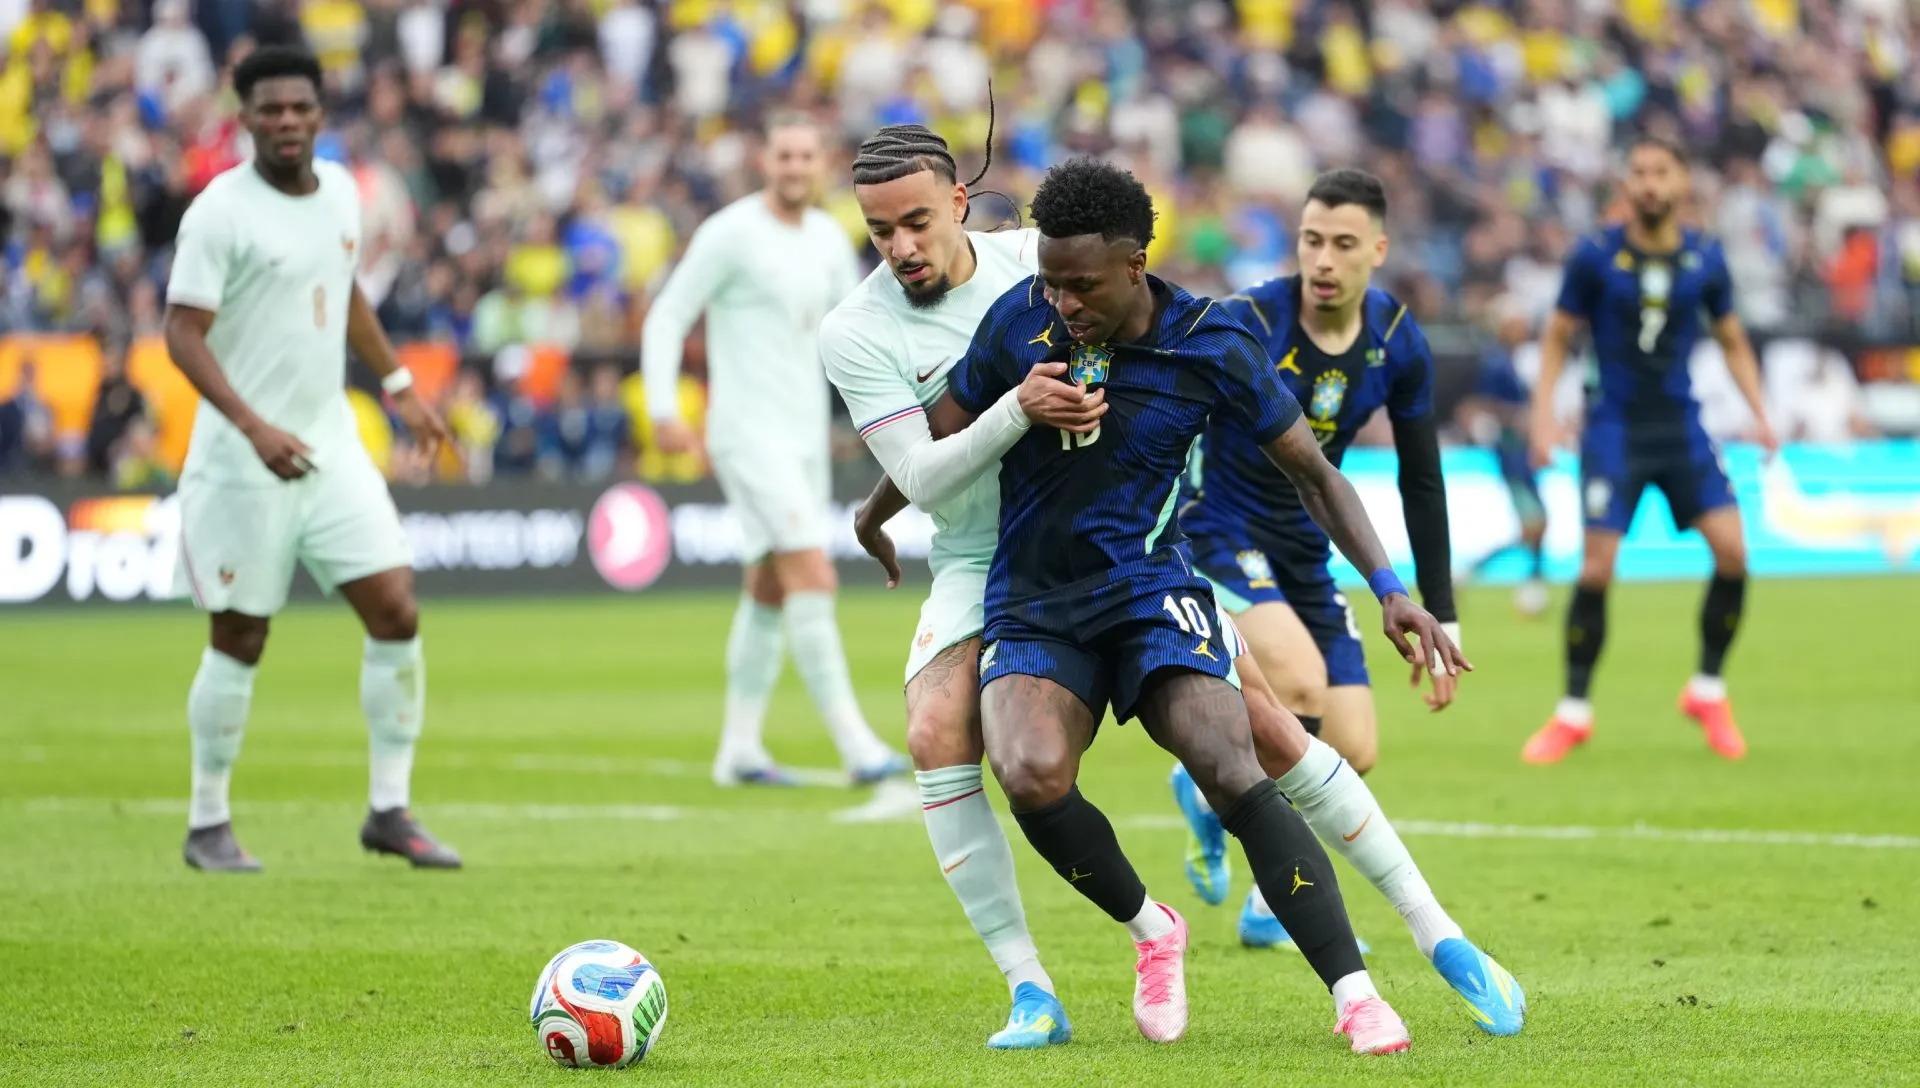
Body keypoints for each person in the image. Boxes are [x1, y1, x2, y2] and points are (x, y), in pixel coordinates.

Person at [840, 135, 1521, 1048]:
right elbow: (938, 434)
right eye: (1051, 283)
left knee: (1241, 756)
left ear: (1135, 265)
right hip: (1034, 596)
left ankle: (1366, 987)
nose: (1061, 304)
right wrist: (873, 510)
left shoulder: (1214, 341)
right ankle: (1151, 931)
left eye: (1081, 286)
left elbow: (1318, 475)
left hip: (1153, 584)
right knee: (1030, 774)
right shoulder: (1019, 319)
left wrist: (1396, 590)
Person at [822, 125, 1107, 1049]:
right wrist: (1017, 404)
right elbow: (927, 475)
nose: (900, 248)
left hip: (1098, 536)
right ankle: (1031, 990)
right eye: (877, 232)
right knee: (935, 731)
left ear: (957, 204)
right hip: (978, 555)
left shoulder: (1039, 260)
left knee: (1259, 721)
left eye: (914, 222)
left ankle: (1419, 938)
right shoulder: (856, 329)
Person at [162, 46, 458, 872]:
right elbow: (180, 333)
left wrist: (400, 384)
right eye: (269, 110)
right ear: (245, 116)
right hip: (239, 458)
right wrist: (253, 426)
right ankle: (207, 822)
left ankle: (390, 811)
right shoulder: (220, 211)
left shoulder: (338, 192)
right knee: (241, 635)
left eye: (299, 108)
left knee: (396, 608)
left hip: (331, 444)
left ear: (320, 113)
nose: (286, 121)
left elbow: (347, 290)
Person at [641, 112, 906, 787]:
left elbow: (851, 333)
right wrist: (665, 409)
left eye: (806, 156)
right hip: (746, 433)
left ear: (823, 165)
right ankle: (857, 746)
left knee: (766, 587)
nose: (794, 167)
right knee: (812, 575)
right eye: (784, 155)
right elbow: (669, 314)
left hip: (803, 437)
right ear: (766, 161)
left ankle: (739, 749)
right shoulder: (730, 234)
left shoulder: (826, 238)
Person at [1521, 137, 1777, 765]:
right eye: (1639, 173)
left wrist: (1761, 413)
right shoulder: (1596, 257)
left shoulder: (1705, 259)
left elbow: (1734, 339)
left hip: (1681, 426)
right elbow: (1556, 337)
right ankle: (1573, 712)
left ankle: (1708, 690)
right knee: (1596, 568)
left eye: (1661, 172)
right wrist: (1543, 418)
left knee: (1734, 553)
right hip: (1614, 429)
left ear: (1683, 180)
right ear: (1627, 184)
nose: (1650, 184)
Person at [1458, 298, 1550, 616]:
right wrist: (1522, 417)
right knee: (1534, 525)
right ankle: (1524, 581)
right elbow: (1483, 404)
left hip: (1521, 454)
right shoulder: (1497, 363)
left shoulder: (1511, 361)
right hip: (1511, 454)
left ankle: (1532, 582)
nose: (1522, 329)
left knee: (1537, 525)